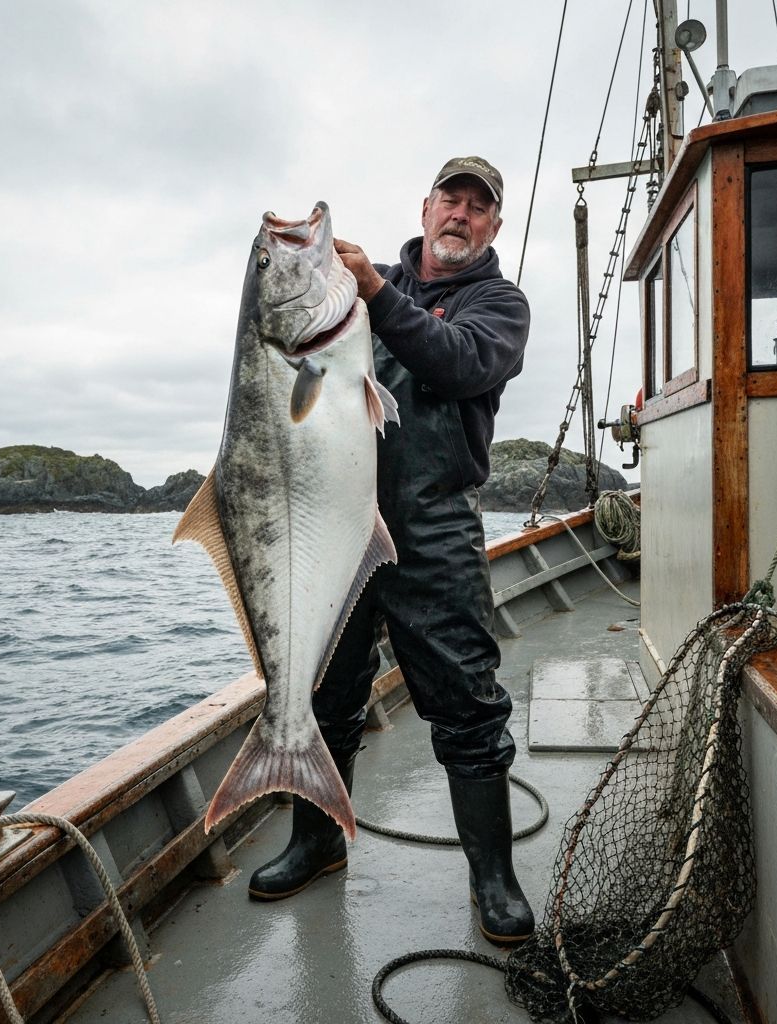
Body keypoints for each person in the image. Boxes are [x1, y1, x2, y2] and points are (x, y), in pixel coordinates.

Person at [248, 157, 534, 944]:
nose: (461, 214)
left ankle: (493, 876)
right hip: (336, 521)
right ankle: (314, 842)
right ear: (427, 205)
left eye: (479, 207)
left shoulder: (498, 304)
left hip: (435, 525)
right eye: (452, 198)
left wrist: (377, 295)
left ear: (493, 227)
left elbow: (460, 362)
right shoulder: (352, 293)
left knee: (467, 702)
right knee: (327, 691)